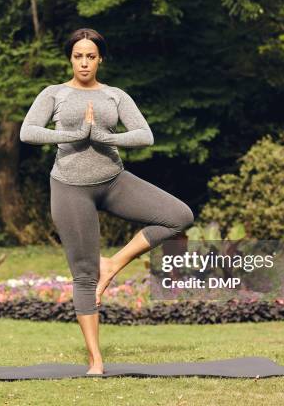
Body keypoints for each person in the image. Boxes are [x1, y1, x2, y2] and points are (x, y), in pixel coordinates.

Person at [20, 28, 194, 375]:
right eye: (78, 56)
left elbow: (145, 135)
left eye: (91, 56)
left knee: (179, 215)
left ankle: (113, 263)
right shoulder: (54, 94)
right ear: (70, 58)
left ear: (100, 59)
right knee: (84, 275)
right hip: (70, 187)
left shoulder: (115, 96)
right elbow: (28, 131)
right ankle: (96, 360)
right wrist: (72, 134)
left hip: (114, 180)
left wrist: (102, 135)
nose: (84, 62)